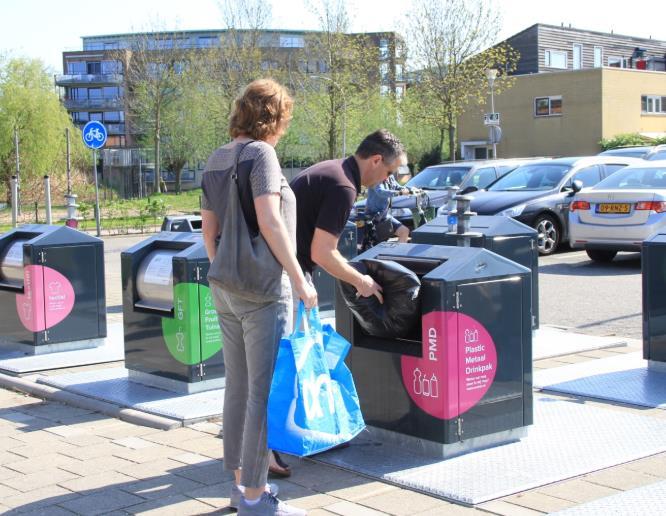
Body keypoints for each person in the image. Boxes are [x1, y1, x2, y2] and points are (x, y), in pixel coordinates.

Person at [201, 78, 316, 516]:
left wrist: (224, 268)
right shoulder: (262, 155)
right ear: (274, 116)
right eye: (284, 117)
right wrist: (299, 277)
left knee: (237, 387)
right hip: (264, 291)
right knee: (262, 394)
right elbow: (271, 221)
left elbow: (208, 227)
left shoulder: (217, 157)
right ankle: (255, 498)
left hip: (225, 287)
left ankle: (238, 486)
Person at [290, 129, 407, 302]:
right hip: (287, 278)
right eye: (389, 173)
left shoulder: (333, 169)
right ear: (376, 160)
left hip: (271, 271)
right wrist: (361, 281)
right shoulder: (343, 188)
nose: (386, 179)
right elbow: (322, 252)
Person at [365, 171, 410, 243]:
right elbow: (381, 192)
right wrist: (399, 193)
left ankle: (397, 254)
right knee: (378, 242)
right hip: (373, 216)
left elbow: (397, 187)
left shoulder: (390, 177)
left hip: (384, 215)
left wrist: (410, 189)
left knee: (404, 231)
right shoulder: (376, 177)